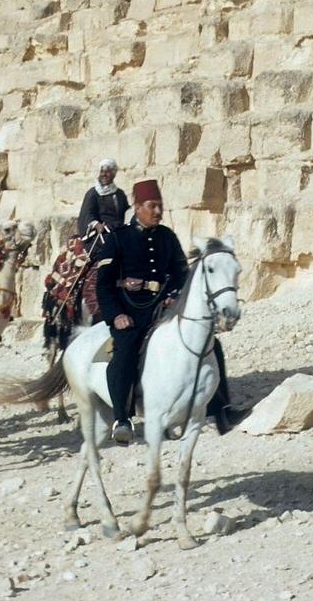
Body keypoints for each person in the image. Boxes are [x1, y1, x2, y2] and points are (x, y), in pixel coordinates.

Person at [92, 178, 240, 445]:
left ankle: (222, 411)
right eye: (152, 206)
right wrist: (115, 315)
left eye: (160, 206)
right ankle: (122, 419)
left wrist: (174, 296)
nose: (158, 211)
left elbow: (181, 275)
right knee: (125, 351)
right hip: (129, 311)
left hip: (163, 309)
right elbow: (102, 285)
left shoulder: (167, 237)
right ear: (137, 207)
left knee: (211, 344)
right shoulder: (118, 239)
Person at [77, 159, 129, 236]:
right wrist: (96, 225)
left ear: (113, 174)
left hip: (118, 231)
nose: (104, 174)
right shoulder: (93, 193)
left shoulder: (119, 194)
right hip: (100, 234)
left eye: (107, 172)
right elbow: (87, 214)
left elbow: (125, 212)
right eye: (102, 171)